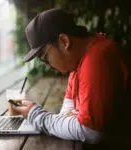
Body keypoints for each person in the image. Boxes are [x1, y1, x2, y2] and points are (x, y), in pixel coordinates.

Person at [9, 8, 130, 144]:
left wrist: (37, 116)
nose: (47, 65)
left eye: (44, 57)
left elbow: (90, 131)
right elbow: (65, 115)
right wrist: (72, 122)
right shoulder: (76, 64)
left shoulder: (96, 58)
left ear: (64, 41)